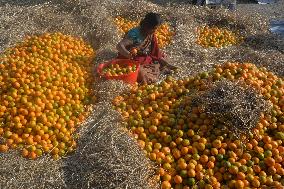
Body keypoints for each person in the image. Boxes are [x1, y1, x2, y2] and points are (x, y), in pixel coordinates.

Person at [116, 12, 178, 84]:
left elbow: (155, 51)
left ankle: (161, 68)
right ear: (148, 26)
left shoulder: (150, 33)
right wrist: (128, 54)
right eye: (154, 28)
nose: (155, 30)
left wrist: (164, 62)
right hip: (128, 59)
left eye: (156, 28)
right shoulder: (134, 34)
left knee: (162, 57)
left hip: (139, 57)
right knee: (140, 73)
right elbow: (119, 46)